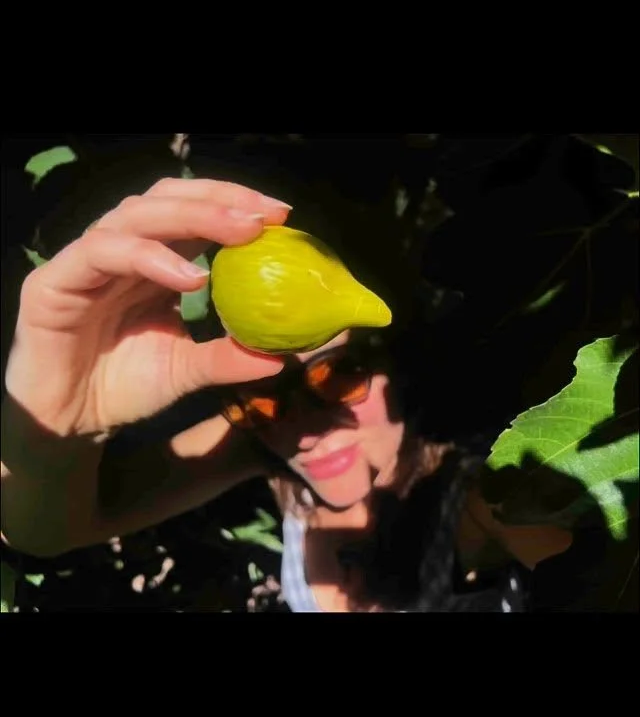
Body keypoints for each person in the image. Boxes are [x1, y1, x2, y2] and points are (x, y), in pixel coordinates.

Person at [1, 177, 573, 612]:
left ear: (394, 363)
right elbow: (44, 533)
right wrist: (59, 429)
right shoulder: (268, 452)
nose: (304, 429)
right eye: (259, 401)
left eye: (337, 377)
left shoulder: (488, 498)